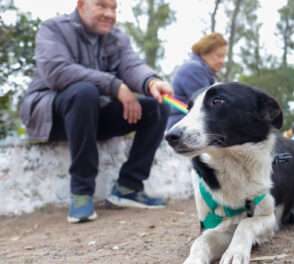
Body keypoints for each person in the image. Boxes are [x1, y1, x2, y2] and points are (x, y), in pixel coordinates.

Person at [19, 0, 173, 223]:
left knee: (157, 105)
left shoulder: (117, 38)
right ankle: (81, 193)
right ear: (81, 5)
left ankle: (128, 187)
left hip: (94, 114)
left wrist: (151, 82)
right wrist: (115, 85)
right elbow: (57, 72)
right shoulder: (52, 29)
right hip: (52, 117)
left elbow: (132, 66)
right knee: (83, 92)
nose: (109, 14)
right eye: (101, 5)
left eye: (114, 8)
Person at [166, 32, 228, 129]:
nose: (222, 61)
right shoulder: (193, 69)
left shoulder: (206, 73)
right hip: (182, 126)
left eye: (224, 56)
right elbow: (206, 104)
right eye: (219, 56)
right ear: (204, 52)